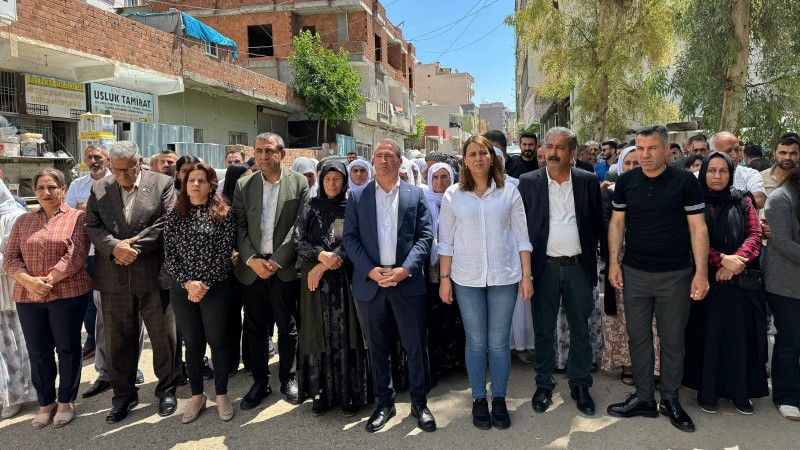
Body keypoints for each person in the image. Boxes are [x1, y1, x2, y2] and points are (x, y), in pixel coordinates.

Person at [607, 125, 710, 433]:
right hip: (635, 273)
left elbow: (698, 228)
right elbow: (617, 224)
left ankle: (670, 399)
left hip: (676, 275)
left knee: (672, 340)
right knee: (638, 338)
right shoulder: (626, 182)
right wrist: (613, 263)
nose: (645, 155)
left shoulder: (685, 182)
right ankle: (643, 398)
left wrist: (701, 273)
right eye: (640, 148)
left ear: (667, 149)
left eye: (652, 148)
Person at [438, 135, 533, 430]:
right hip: (466, 279)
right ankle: (479, 398)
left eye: (483, 153)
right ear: (464, 161)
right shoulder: (453, 195)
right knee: (477, 342)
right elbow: (445, 242)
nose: (478, 158)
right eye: (472, 154)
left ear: (492, 157)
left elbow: (522, 237)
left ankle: (499, 398)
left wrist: (526, 276)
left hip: (504, 277)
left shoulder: (510, 192)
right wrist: (444, 279)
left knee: (499, 343)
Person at [343, 139, 436, 433]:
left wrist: (405, 270)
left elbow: (425, 236)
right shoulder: (357, 196)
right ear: (373, 161)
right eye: (378, 155)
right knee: (378, 347)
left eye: (389, 155)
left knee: (416, 346)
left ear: (399, 160)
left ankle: (419, 403)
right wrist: (370, 271)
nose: (383, 160)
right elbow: (350, 239)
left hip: (406, 282)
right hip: (371, 284)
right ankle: (385, 403)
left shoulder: (415, 195)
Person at [85, 141, 181, 424]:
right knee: (117, 342)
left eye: (128, 169)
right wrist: (114, 247)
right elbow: (92, 225)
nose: (122, 175)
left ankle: (166, 390)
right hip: (114, 275)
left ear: (140, 163)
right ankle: (123, 396)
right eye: (116, 170)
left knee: (164, 338)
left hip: (152, 274)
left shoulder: (162, 183)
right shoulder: (100, 187)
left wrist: (133, 249)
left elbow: (167, 222)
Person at [518, 127, 603, 416]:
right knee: (544, 331)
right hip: (544, 269)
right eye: (549, 146)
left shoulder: (588, 181)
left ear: (572, 152)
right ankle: (544, 384)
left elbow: (596, 225)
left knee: (581, 330)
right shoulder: (528, 182)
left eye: (560, 147)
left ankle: (580, 384)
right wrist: (525, 273)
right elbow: (520, 228)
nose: (553, 153)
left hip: (578, 268)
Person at [4, 169, 91, 429]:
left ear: (63, 189)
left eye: (52, 187)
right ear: (34, 192)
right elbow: (10, 258)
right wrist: (29, 282)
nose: (46, 192)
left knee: (67, 348)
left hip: (67, 294)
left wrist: (45, 283)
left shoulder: (78, 218)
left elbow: (75, 256)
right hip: (28, 295)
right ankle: (46, 402)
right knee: (38, 351)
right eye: (40, 188)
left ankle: (66, 401)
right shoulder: (23, 221)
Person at [682, 151, 768, 415]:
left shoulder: (742, 200)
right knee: (709, 335)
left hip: (740, 282)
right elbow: (690, 238)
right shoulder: (694, 201)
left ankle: (740, 393)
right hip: (705, 281)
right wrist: (721, 260)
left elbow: (755, 235)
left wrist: (734, 263)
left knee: (739, 337)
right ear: (703, 173)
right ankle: (708, 392)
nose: (717, 176)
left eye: (723, 171)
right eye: (711, 170)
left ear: (731, 174)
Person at [232, 132, 308, 410]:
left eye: (269, 151)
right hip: (253, 269)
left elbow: (299, 226)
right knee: (255, 328)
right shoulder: (244, 184)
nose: (263, 156)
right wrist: (252, 259)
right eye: (259, 151)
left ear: (282, 154)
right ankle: (260, 382)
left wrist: (276, 261)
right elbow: (239, 225)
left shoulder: (299, 183)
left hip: (283, 269)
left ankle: (288, 378)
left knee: (288, 327)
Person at [294, 160, 371, 417]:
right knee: (318, 332)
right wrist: (320, 256)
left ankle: (349, 395)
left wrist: (328, 261)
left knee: (347, 332)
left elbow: (355, 240)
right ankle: (321, 394)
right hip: (315, 284)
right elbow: (298, 240)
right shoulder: (310, 207)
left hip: (344, 280)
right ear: (320, 180)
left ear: (345, 181)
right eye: (327, 178)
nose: (332, 183)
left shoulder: (352, 207)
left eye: (337, 178)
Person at [164, 163, 236, 423]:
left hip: (215, 288)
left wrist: (203, 284)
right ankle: (197, 396)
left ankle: (221, 394)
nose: (196, 184)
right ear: (184, 184)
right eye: (191, 180)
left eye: (201, 180)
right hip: (183, 290)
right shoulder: (174, 214)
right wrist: (188, 284)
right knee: (192, 343)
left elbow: (225, 254)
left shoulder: (223, 213)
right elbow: (169, 255)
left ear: (211, 184)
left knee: (218, 340)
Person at [600, 147, 662, 386]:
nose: (633, 168)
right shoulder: (610, 193)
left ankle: (655, 366)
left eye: (638, 163)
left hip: (653, 263)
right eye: (628, 163)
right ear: (620, 166)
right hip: (621, 264)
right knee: (626, 318)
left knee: (654, 317)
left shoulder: (658, 189)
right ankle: (629, 364)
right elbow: (605, 225)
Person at [65, 145, 110, 361]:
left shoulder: (116, 181)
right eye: (89, 157)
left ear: (107, 159)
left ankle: (111, 343)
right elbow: (67, 213)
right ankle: (92, 340)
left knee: (112, 299)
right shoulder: (77, 184)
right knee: (90, 301)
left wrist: (85, 207)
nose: (94, 161)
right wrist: (90, 208)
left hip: (110, 250)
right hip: (86, 251)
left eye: (98, 157)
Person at [763, 166, 800, 421]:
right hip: (786, 284)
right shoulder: (781, 198)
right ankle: (786, 396)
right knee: (790, 340)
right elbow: (783, 242)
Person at [423, 161, 465, 382]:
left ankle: (457, 361)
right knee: (433, 315)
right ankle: (437, 363)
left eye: (444, 177)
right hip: (430, 269)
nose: (439, 182)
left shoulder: (459, 199)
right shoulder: (423, 202)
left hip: (457, 267)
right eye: (435, 177)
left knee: (455, 314)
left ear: (452, 178)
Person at [0, 180, 36, 420]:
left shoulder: (14, 217)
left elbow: (15, 256)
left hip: (12, 291)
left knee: (17, 343)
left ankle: (17, 395)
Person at [221, 164, 253, 376]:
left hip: (250, 265)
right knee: (231, 317)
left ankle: (250, 360)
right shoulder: (221, 206)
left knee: (251, 315)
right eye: (245, 178)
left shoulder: (253, 201)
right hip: (228, 269)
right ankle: (231, 362)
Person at [709, 132, 767, 209]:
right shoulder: (697, 177)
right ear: (712, 153)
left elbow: (759, 200)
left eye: (737, 150)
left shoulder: (750, 174)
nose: (735, 155)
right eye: (728, 151)